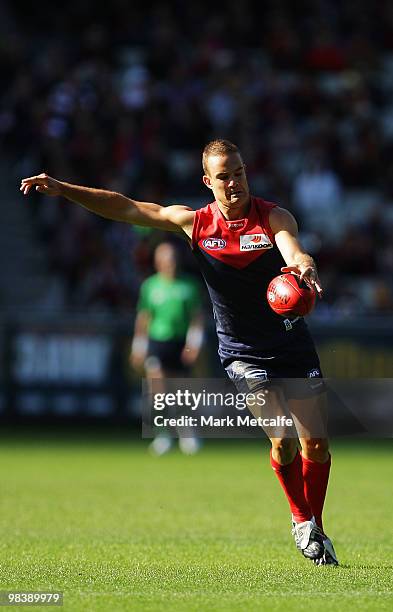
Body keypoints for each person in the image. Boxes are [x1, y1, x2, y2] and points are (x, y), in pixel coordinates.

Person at [20, 138, 338, 566]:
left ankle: (314, 527)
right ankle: (302, 520)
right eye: (223, 176)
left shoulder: (274, 216)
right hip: (243, 351)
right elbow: (127, 207)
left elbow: (293, 248)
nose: (233, 183)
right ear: (207, 182)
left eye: (239, 172)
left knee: (315, 444)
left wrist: (303, 265)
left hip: (291, 344)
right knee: (282, 440)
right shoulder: (195, 224)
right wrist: (66, 190)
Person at [130, 241, 204, 455]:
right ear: (157, 261)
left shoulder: (189, 286)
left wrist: (193, 344)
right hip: (157, 342)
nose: (168, 262)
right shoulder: (150, 286)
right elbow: (143, 318)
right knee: (158, 390)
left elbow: (196, 319)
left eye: (172, 258)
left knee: (181, 391)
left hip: (180, 343)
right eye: (164, 258)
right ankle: (163, 434)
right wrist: (138, 346)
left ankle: (186, 433)